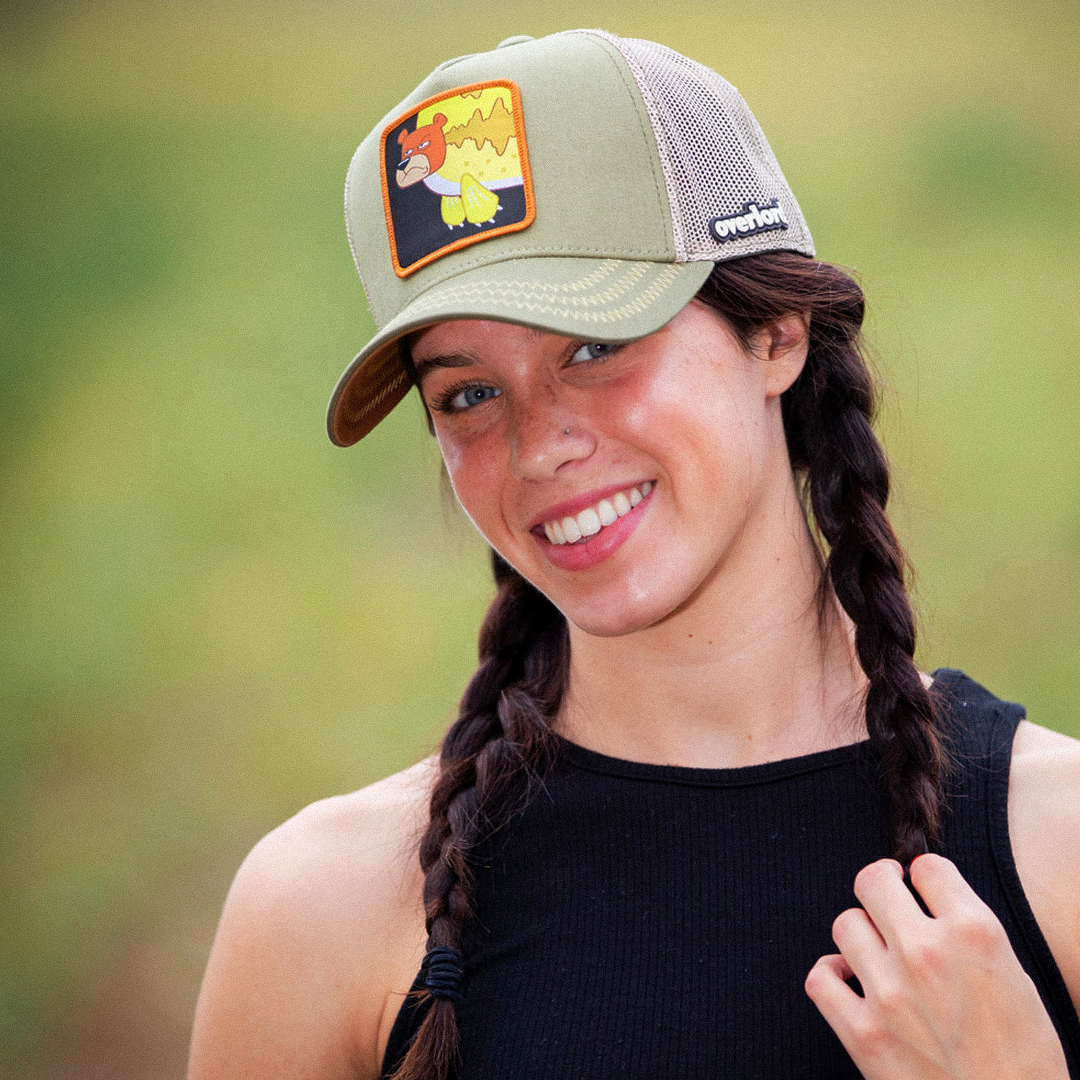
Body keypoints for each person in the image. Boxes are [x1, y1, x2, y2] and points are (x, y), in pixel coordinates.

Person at [187, 29, 1080, 1080]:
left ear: (778, 330)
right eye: (468, 394)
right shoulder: (322, 916)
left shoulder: (1056, 853)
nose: (539, 446)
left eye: (598, 346)